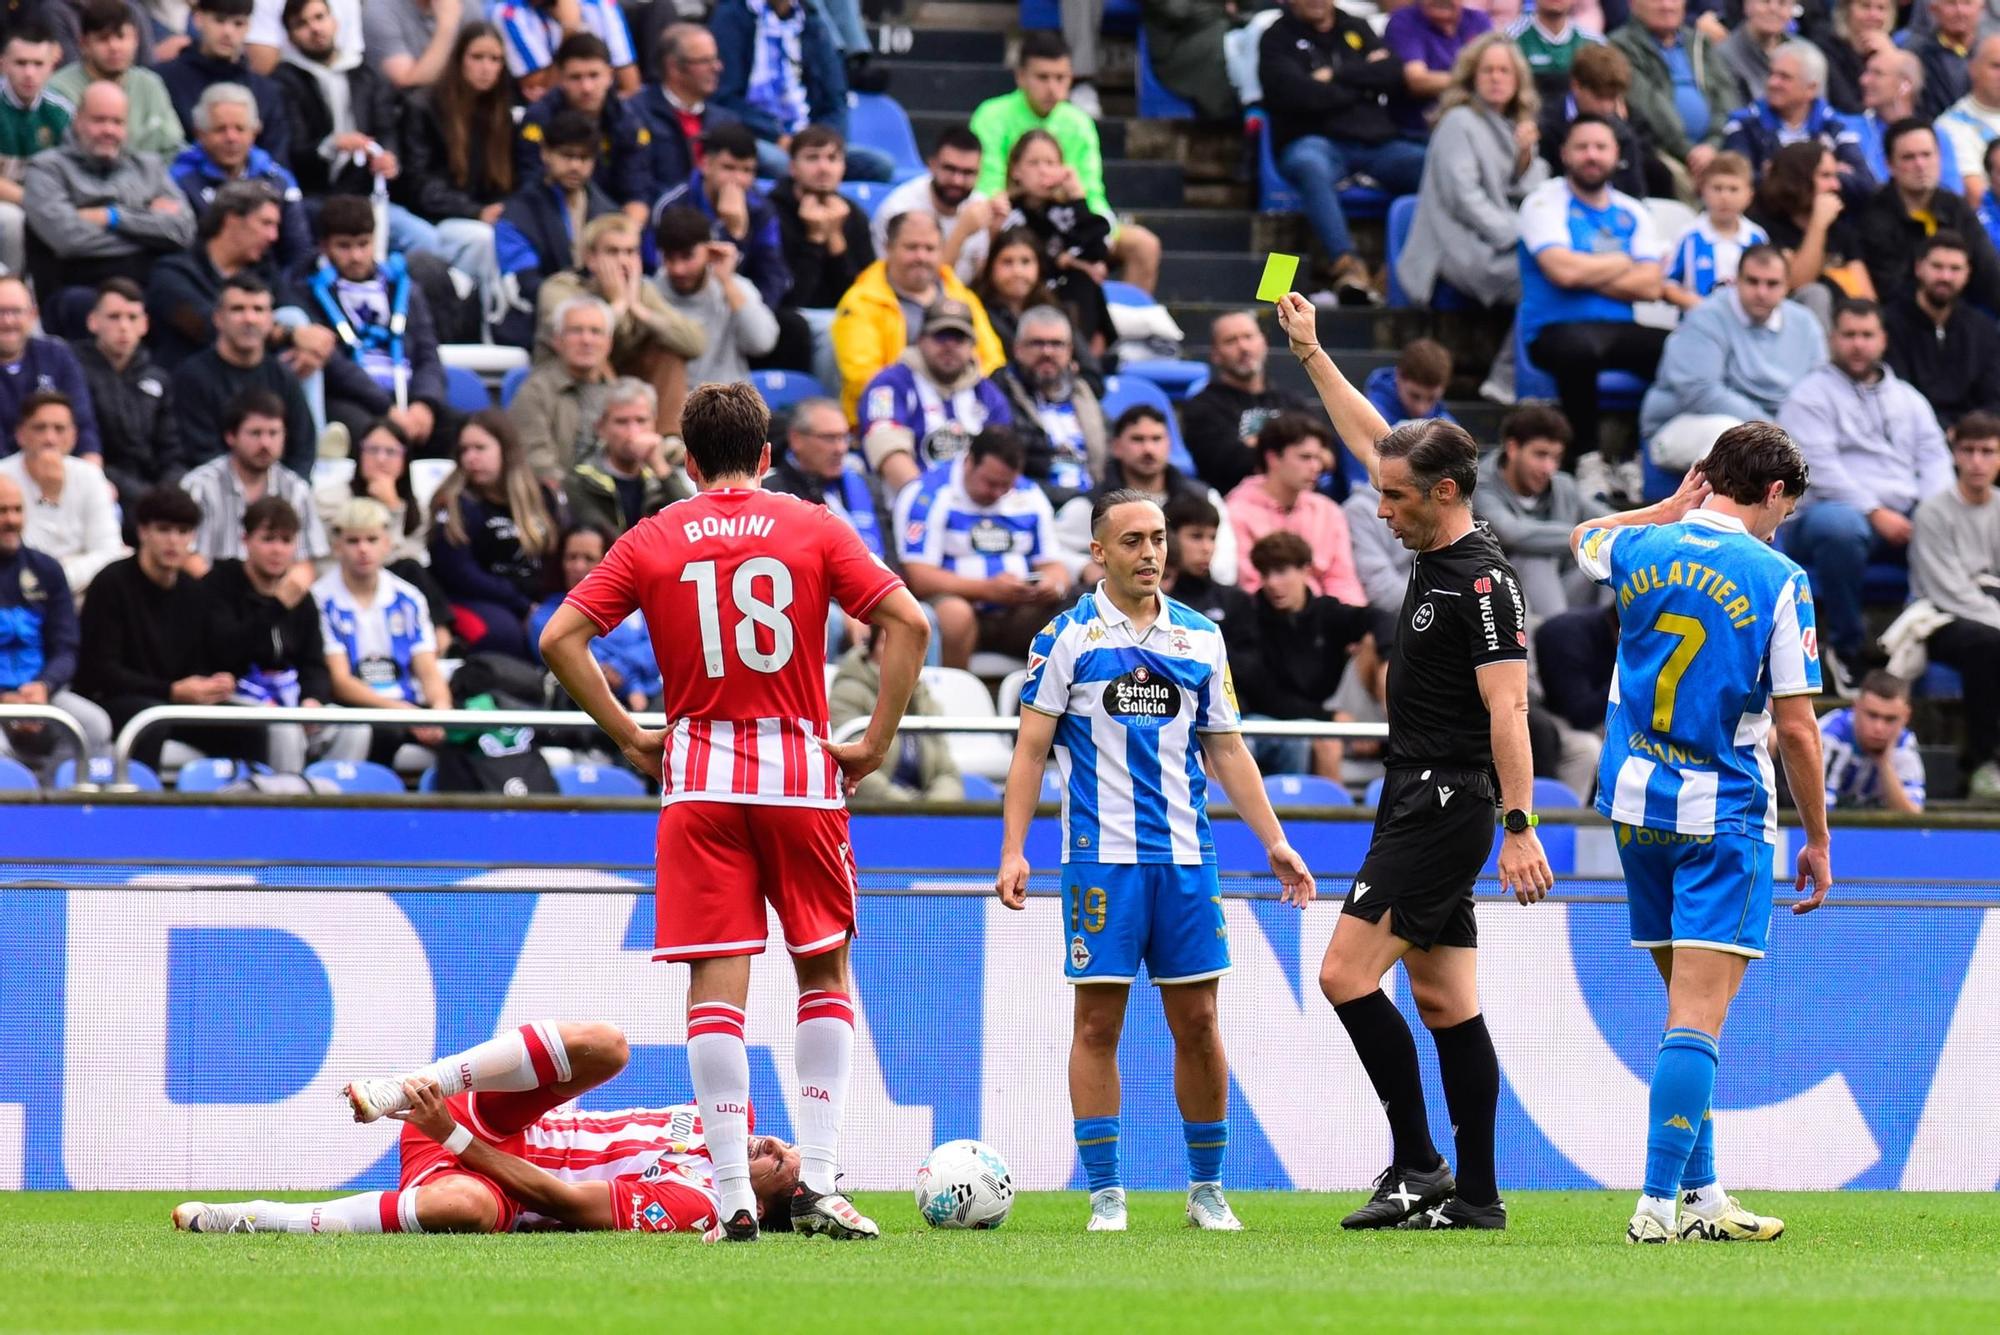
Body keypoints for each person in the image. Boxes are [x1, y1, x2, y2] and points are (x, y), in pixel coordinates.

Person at [539, 381, 929, 1242]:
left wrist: (633, 737)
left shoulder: (652, 536)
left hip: (701, 778)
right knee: (822, 973)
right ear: (766, 455)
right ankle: (819, 1183)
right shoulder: (814, 525)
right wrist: (873, 741)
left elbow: (558, 637)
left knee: (716, 988)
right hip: (799, 773)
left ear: (684, 460)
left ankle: (729, 1195)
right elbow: (908, 619)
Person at [1276, 290, 1551, 1232]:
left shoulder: (1481, 581)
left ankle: (1417, 1163)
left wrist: (1519, 825)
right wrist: (1312, 353)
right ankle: (1476, 1196)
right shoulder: (1435, 536)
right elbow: (1373, 441)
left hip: (1447, 801)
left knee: (1345, 977)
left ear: (1442, 493)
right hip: (1421, 794)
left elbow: (1508, 706)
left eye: (1393, 495)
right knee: (1442, 999)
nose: (1377, 506)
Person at [995, 485, 1314, 1234]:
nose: (1151, 553)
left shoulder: (1201, 637)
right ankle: (1107, 1191)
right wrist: (1013, 848)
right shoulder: (1066, 637)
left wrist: (1274, 840)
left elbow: (1227, 748)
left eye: (1160, 538)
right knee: (1098, 1023)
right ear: (1099, 551)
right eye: (1133, 540)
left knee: (1200, 1021)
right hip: (1099, 862)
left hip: (1185, 859)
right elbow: (1031, 751)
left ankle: (1207, 1187)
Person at [1567, 421, 1830, 1246]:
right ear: (1776, 493)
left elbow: (1583, 539)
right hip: (1723, 816)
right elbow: (1797, 728)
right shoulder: (1779, 577)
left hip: (1637, 810)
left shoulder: (1642, 550)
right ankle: (1654, 1206)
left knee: (1684, 1011)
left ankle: (1704, 1195)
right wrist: (1818, 836)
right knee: (1700, 1019)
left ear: (1711, 479)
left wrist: (1667, 506)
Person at [175, 1021, 804, 1238]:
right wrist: (449, 1115)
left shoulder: (697, 1204)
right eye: (783, 1142)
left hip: (483, 1169)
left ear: (761, 1202)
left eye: (776, 1165)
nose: (768, 1144)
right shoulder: (731, 1116)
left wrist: (450, 1138)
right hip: (492, 1114)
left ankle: (261, 1217)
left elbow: (564, 1202)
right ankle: (410, 1084)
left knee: (467, 1207)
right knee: (608, 1047)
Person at [1779, 297, 1952, 694]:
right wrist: (1874, 511)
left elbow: (1935, 459)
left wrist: (1929, 512)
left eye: (1867, 335)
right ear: (1833, 339)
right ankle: (1848, 647)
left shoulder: (1908, 399)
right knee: (1840, 525)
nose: (1858, 344)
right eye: (1850, 335)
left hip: (1907, 516)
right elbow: (1815, 468)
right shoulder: (1809, 395)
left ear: (1883, 340)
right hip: (1826, 516)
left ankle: (1913, 641)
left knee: (1947, 521)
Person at [1517, 114, 1668, 470]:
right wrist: (1622, 261)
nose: (1592, 155)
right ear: (1565, 154)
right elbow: (1562, 272)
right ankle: (1586, 459)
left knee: (1681, 347)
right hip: (1554, 329)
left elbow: (1650, 285)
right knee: (1579, 349)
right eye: (1582, 147)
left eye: (1601, 147)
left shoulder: (1633, 211)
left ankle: (1636, 457)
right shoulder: (1543, 202)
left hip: (1618, 331)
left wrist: (1584, 267)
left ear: (1617, 154)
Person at [969, 31, 1161, 295]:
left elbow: (1093, 193)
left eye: (1061, 78)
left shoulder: (1080, 123)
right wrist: (1028, 194)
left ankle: (1128, 328)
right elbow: (987, 188)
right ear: (1020, 76)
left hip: (1067, 221)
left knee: (1144, 244)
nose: (1052, 88)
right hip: (1011, 219)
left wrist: (1089, 220)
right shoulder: (991, 115)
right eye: (1042, 77)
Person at [1257, 0, 1420, 304]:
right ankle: (1347, 266)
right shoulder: (1277, 37)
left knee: (1433, 167)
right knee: (1309, 164)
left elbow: (1392, 74)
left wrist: (1332, 76)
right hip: (1314, 139)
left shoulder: (1356, 27)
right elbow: (1296, 94)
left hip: (1375, 143)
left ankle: (1397, 272)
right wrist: (1360, 83)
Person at [75, 485, 239, 767]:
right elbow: (100, 671)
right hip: (115, 700)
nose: (173, 541)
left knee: (244, 726)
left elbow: (199, 661)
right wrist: (171, 690)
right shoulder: (111, 583)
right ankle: (142, 809)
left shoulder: (195, 592)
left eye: (183, 531)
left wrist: (212, 684)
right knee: (151, 721)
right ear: (143, 532)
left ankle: (247, 801)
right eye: (164, 529)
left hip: (172, 701)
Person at [293, 196, 463, 459]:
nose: (356, 256)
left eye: (363, 244)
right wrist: (387, 409)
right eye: (344, 247)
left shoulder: (405, 289)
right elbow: (335, 365)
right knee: (368, 435)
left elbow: (429, 354)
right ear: (324, 246)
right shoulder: (307, 293)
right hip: (355, 401)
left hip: (408, 396)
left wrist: (424, 405)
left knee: (464, 432)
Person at [199, 494, 359, 772]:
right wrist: (276, 608)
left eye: (286, 541)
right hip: (235, 692)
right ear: (245, 540)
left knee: (354, 727)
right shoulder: (219, 584)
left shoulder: (302, 599)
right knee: (284, 729)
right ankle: (287, 806)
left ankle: (336, 809)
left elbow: (314, 664)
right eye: (268, 539)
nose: (277, 550)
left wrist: (313, 699)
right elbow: (225, 651)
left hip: (291, 696)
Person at [1397, 32, 1551, 313]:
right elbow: (1463, 198)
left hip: (1498, 238)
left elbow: (1532, 194)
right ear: (1472, 77)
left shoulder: (1515, 125)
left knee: (1556, 266)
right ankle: (1511, 358)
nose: (1496, 77)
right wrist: (1517, 233)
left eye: (1504, 71)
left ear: (1518, 80)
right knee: (1545, 275)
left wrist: (1526, 155)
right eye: (1487, 70)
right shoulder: (1459, 121)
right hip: (1460, 244)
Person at [1639, 244, 1828, 471]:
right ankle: (1715, 508)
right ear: (1736, 280)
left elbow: (1819, 389)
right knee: (1735, 436)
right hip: (1681, 424)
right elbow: (1700, 392)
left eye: (1772, 284)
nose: (1761, 291)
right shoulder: (1705, 317)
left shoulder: (1804, 323)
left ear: (1787, 286)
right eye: (1752, 281)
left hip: (1776, 428)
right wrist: (1768, 428)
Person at [893, 425, 1070, 667]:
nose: (998, 492)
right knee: (955, 615)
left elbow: (1053, 565)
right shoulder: (927, 494)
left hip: (1018, 610)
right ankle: (952, 698)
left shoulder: (1030, 494)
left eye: (1006, 485)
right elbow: (919, 577)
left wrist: (1052, 584)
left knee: (1077, 608)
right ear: (969, 461)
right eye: (990, 483)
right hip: (955, 605)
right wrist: (987, 589)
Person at [21, 79, 195, 309]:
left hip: (147, 287)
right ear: (78, 121)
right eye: (99, 120)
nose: (109, 130)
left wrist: (111, 217)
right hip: (78, 287)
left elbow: (183, 231)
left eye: (117, 122)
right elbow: (68, 239)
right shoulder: (46, 169)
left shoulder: (149, 167)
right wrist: (150, 230)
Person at [271, 0, 423, 250]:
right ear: (290, 36)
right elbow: (291, 150)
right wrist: (331, 145)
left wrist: (388, 158)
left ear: (335, 21)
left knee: (423, 240)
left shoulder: (364, 75)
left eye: (319, 17)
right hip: (315, 197)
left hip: (366, 197)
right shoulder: (283, 83)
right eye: (302, 24)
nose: (315, 29)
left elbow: (386, 128)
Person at [314, 495, 454, 766]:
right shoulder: (320, 600)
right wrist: (405, 714)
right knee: (382, 734)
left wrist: (440, 712)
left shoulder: (409, 597)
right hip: (358, 711)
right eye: (353, 541)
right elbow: (340, 682)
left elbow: (428, 669)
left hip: (408, 707)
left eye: (372, 539)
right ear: (337, 547)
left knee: (461, 741)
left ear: (387, 543)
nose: (363, 549)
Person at [831, 210, 1004, 423]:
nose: (921, 257)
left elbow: (993, 361)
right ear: (888, 248)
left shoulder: (961, 297)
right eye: (911, 247)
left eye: (930, 248)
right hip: (888, 419)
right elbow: (862, 378)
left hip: (963, 414)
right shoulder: (860, 302)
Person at [1234, 529, 1377, 780]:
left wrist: (1386, 660)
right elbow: (1268, 697)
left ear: (1305, 570)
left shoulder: (1326, 610)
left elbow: (1380, 619)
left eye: (1281, 571)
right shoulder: (1249, 618)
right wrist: (1331, 718)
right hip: (1275, 718)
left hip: (1330, 709)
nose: (1272, 583)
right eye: (1265, 574)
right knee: (1312, 741)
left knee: (1378, 643)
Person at [399, 21, 518, 315]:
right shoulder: (423, 107)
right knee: (483, 239)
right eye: (477, 57)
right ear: (458, 59)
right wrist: (475, 212)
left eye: (495, 59)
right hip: (432, 222)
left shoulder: (503, 114)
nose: (486, 68)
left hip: (484, 217)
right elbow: (419, 185)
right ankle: (486, 319)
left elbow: (512, 182)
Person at [1910, 413, 2000, 800]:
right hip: (1939, 618)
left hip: (1990, 612)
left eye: (1988, 451)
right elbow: (1948, 592)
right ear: (1954, 454)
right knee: (1986, 645)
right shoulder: (1933, 512)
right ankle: (1982, 763)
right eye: (1969, 450)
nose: (1977, 461)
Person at [0, 473, 113, 770]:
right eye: (2, 511)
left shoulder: (46, 570)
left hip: (40, 693)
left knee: (95, 725)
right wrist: (5, 699)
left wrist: (44, 687)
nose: (11, 520)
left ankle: (63, 806)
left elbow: (66, 646)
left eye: (17, 510)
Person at [708, 0, 888, 184]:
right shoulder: (732, 16)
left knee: (879, 165)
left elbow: (835, 99)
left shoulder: (812, 20)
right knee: (780, 163)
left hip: (810, 138)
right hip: (760, 136)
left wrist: (826, 141)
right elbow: (724, 97)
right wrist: (777, 136)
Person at [1058, 404, 1238, 587]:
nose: (1148, 449)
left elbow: (1226, 561)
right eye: (1138, 439)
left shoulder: (1204, 497)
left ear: (1169, 444)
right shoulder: (1091, 504)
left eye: (1156, 439)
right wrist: (1084, 567)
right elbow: (1055, 551)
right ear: (1116, 447)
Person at [427, 410, 557, 660]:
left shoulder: (541, 497)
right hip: (474, 597)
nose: (470, 458)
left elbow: (556, 554)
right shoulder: (454, 503)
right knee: (504, 634)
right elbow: (459, 573)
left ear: (505, 450)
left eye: (480, 448)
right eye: (464, 450)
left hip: (534, 597)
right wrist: (520, 603)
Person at [855, 297, 1012, 496]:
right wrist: (928, 502)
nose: (949, 346)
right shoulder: (889, 384)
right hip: (905, 507)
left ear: (972, 346)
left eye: (959, 338)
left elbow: (1002, 459)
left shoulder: (988, 393)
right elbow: (887, 450)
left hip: (974, 508)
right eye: (941, 336)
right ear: (920, 339)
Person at [170, 274, 317, 478]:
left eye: (258, 310)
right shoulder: (192, 377)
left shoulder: (283, 377)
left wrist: (285, 494)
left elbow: (303, 448)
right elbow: (199, 453)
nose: (249, 319)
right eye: (238, 309)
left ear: (269, 321)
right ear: (218, 318)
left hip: (279, 497)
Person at [493, 108, 618, 348]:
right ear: (545, 153)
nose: (575, 165)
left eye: (584, 158)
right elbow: (527, 285)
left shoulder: (609, 212)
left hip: (606, 319)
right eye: (567, 156)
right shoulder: (516, 215)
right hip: (543, 327)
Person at [650, 121, 791, 318]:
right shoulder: (673, 205)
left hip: (740, 307)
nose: (738, 179)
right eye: (729, 168)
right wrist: (733, 235)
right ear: (706, 165)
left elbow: (772, 273)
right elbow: (665, 272)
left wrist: (755, 315)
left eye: (747, 170)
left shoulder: (761, 209)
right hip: (681, 307)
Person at [179, 387, 328, 572]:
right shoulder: (198, 486)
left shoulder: (296, 489)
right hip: (210, 595)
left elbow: (305, 566)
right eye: (255, 433)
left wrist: (277, 600)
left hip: (276, 595)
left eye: (273, 433)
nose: (265, 443)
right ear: (231, 436)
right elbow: (187, 558)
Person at [996, 129, 1114, 361]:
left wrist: (1078, 197)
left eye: (1051, 163)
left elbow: (1097, 249)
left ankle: (1086, 360)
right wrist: (1068, 261)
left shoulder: (1065, 210)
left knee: (1083, 283)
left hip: (1066, 300)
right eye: (1034, 163)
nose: (1043, 171)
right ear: (1016, 170)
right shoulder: (1007, 210)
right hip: (1024, 299)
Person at [515, 31, 655, 224]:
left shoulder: (628, 120)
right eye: (576, 77)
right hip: (552, 215)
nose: (586, 87)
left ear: (610, 76)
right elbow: (531, 183)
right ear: (560, 78)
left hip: (610, 218)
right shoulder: (540, 118)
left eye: (594, 75)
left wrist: (625, 232)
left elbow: (636, 193)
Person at [170, 82, 312, 272]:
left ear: (255, 131)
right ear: (200, 134)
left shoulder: (278, 180)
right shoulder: (177, 180)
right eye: (220, 129)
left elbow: (298, 252)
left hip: (270, 284)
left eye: (240, 128)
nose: (231, 138)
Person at [770, 125, 874, 385]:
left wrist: (836, 238)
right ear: (793, 167)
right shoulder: (772, 211)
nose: (823, 168)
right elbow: (790, 296)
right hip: (788, 319)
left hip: (840, 313)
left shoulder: (853, 215)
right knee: (836, 330)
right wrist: (814, 240)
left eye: (832, 158)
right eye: (812, 158)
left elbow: (862, 291)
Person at [1859, 120, 2000, 309]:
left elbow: (1989, 273)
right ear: (1889, 165)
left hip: (1962, 319)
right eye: (1909, 157)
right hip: (1902, 325)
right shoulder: (1874, 217)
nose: (1920, 164)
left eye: (1927, 155)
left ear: (1939, 157)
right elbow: (1891, 290)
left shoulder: (1956, 207)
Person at [1225, 412, 1364, 601]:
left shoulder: (1328, 511)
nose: (1316, 466)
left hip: (1327, 619)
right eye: (1305, 457)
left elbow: (1343, 582)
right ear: (1273, 458)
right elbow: (1250, 585)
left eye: (1317, 457)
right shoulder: (1236, 512)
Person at [0, 391, 125, 596]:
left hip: (82, 588)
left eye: (59, 429)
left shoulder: (91, 475)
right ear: (20, 434)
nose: (50, 438)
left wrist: (60, 578)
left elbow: (109, 551)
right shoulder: (3, 476)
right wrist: (48, 498)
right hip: (15, 590)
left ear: (73, 437)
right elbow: (19, 554)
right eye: (40, 428)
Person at [1472, 405, 1592, 617]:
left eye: (1556, 458)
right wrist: (1583, 536)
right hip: (1502, 603)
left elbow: (1608, 518)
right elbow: (1511, 533)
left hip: (1565, 590)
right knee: (1535, 560)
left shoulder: (1563, 485)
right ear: (1512, 448)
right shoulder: (1479, 486)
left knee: (1613, 561)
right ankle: (1559, 642)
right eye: (1540, 455)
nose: (1549, 468)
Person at [1180, 310, 1312, 496]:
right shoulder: (1203, 407)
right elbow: (1225, 463)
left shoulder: (1292, 402)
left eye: (1248, 337)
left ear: (1264, 343)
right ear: (1215, 354)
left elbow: (1325, 454)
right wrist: (1292, 449)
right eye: (1230, 341)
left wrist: (1254, 443)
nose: (1243, 347)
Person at [530, 522, 659, 711]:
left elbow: (660, 646)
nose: (578, 566)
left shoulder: (633, 607)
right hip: (589, 708)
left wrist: (622, 668)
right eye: (571, 557)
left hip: (650, 697)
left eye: (589, 558)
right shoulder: (545, 616)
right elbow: (577, 658)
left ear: (606, 562)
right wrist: (631, 685)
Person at [827, 623, 962, 803]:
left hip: (924, 811)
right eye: (887, 643)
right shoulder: (849, 692)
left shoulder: (923, 698)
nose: (899, 653)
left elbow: (947, 772)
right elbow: (854, 768)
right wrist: (908, 808)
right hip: (875, 813)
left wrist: (936, 809)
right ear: (871, 648)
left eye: (908, 645)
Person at [989, 305, 1107, 510]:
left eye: (1057, 344)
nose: (1047, 352)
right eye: (1037, 343)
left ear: (1070, 351)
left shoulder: (1083, 393)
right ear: (1017, 349)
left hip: (1089, 504)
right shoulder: (998, 392)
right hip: (1028, 503)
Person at [74, 279, 174, 517]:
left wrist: (169, 488)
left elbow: (172, 449)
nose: (123, 326)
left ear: (145, 324)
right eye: (114, 317)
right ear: (93, 321)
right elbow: (82, 445)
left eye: (132, 317)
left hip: (152, 489)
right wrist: (142, 494)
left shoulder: (158, 378)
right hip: (102, 487)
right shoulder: (74, 370)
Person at [654, 205, 781, 393]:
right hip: (669, 408)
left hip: (728, 404)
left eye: (687, 256)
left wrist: (727, 282)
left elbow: (762, 343)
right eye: (669, 258)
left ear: (709, 249)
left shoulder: (735, 288)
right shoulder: (650, 294)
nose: (677, 269)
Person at [1720, 39, 1872, 195]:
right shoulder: (1743, 123)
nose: (1773, 83)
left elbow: (1864, 183)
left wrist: (1777, 174)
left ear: (1811, 88)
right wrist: (1826, 174)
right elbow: (1736, 179)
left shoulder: (1834, 126)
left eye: (1784, 77)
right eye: (1772, 74)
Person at [1883, 231, 2000, 427]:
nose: (1945, 277)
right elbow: (1896, 393)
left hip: (1974, 439)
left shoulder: (1983, 329)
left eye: (1955, 269)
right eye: (1937, 267)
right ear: (1919, 268)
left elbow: (1993, 396)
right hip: (1910, 432)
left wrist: (1969, 431)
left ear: (1967, 274)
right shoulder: (1890, 323)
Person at [1607, 0, 1734, 179]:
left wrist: (1713, 145)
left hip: (1715, 150)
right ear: (1633, 4)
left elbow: (1726, 97)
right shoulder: (1621, 46)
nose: (1667, 6)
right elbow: (1648, 107)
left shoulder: (1699, 42)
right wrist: (1690, 152)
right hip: (1664, 152)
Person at [1748, 141, 1868, 329]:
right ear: (1797, 178)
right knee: (1816, 294)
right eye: (1825, 176)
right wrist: (1818, 225)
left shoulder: (1840, 229)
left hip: (1843, 332)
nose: (1836, 185)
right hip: (1788, 328)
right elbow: (1796, 282)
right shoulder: (1763, 226)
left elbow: (1866, 297)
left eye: (1836, 175)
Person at [48, 0, 187, 158]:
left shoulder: (150, 84)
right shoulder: (58, 90)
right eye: (103, 39)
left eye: (121, 37)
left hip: (151, 178)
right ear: (84, 44)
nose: (114, 47)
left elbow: (174, 146)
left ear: (135, 40)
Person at [158, 0, 291, 162]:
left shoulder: (267, 92)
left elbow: (277, 162)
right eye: (219, 20)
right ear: (198, 19)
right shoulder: (163, 80)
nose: (228, 31)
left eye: (238, 23)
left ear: (249, 27)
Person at [764, 395, 887, 561]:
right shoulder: (771, 495)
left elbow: (891, 558)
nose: (841, 448)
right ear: (796, 439)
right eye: (829, 438)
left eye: (844, 437)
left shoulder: (867, 484)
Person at [510, 293, 617, 479]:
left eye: (596, 332)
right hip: (560, 500)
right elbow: (537, 462)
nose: (586, 340)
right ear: (557, 341)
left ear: (608, 344)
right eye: (576, 331)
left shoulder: (619, 394)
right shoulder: (534, 393)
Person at [562, 378, 686, 534]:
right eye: (622, 422)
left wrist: (660, 466)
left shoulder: (660, 475)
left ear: (654, 423)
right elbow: (608, 540)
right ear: (601, 428)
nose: (633, 432)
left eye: (641, 420)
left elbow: (695, 519)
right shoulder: (581, 480)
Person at [631, 22, 738, 202]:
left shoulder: (726, 123)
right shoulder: (635, 114)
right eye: (705, 61)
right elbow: (637, 184)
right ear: (674, 67)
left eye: (715, 59)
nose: (717, 67)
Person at [872, 124, 990, 284]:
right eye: (950, 169)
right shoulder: (899, 211)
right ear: (932, 165)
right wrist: (961, 232)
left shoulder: (980, 205)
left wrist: (995, 232)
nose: (957, 180)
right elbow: (920, 288)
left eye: (968, 172)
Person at [0, 279, 101, 465]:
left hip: (62, 469)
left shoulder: (56, 354)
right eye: (0, 312)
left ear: (33, 314)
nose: (7, 321)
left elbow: (83, 422)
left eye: (15, 311)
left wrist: (92, 469)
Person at [0, 23, 71, 282]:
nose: (29, 73)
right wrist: (35, 200)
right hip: (15, 206)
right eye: (20, 63)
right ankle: (10, 293)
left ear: (52, 66)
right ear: (3, 64)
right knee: (11, 220)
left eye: (38, 64)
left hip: (44, 203)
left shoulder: (62, 111)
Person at [1852, 45, 1962, 195]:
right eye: (1866, 72)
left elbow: (1952, 193)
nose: (1863, 80)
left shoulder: (1936, 136)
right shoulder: (1848, 129)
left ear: (1905, 85)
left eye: (1877, 74)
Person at [1663, 151, 1766, 305]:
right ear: (1703, 190)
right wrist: (1695, 305)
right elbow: (1668, 284)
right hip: (1697, 324)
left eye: (1733, 189)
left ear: (1749, 195)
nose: (1724, 197)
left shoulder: (1757, 237)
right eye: (1717, 188)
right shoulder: (1688, 235)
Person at [1818, 670, 1925, 812]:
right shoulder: (1831, 735)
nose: (1879, 728)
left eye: (1890, 719)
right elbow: (1820, 813)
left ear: (1905, 716)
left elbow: (1911, 818)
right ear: (1856, 707)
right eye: (1872, 715)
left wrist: (1884, 762)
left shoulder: (1904, 742)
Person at [1384, 0, 1495, 135]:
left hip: (1477, 125)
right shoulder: (1404, 21)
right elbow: (1417, 81)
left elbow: (1496, 69)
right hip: (1420, 132)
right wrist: (1474, 80)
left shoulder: (1478, 20)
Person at [488, 0, 637, 100]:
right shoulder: (509, 13)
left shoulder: (600, 4)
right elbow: (542, 92)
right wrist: (570, 29)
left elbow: (631, 85)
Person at [1160, 491, 1254, 639]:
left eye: (1212, 537)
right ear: (1168, 537)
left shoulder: (1235, 600)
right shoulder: (1155, 600)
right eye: (1196, 536)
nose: (1207, 548)